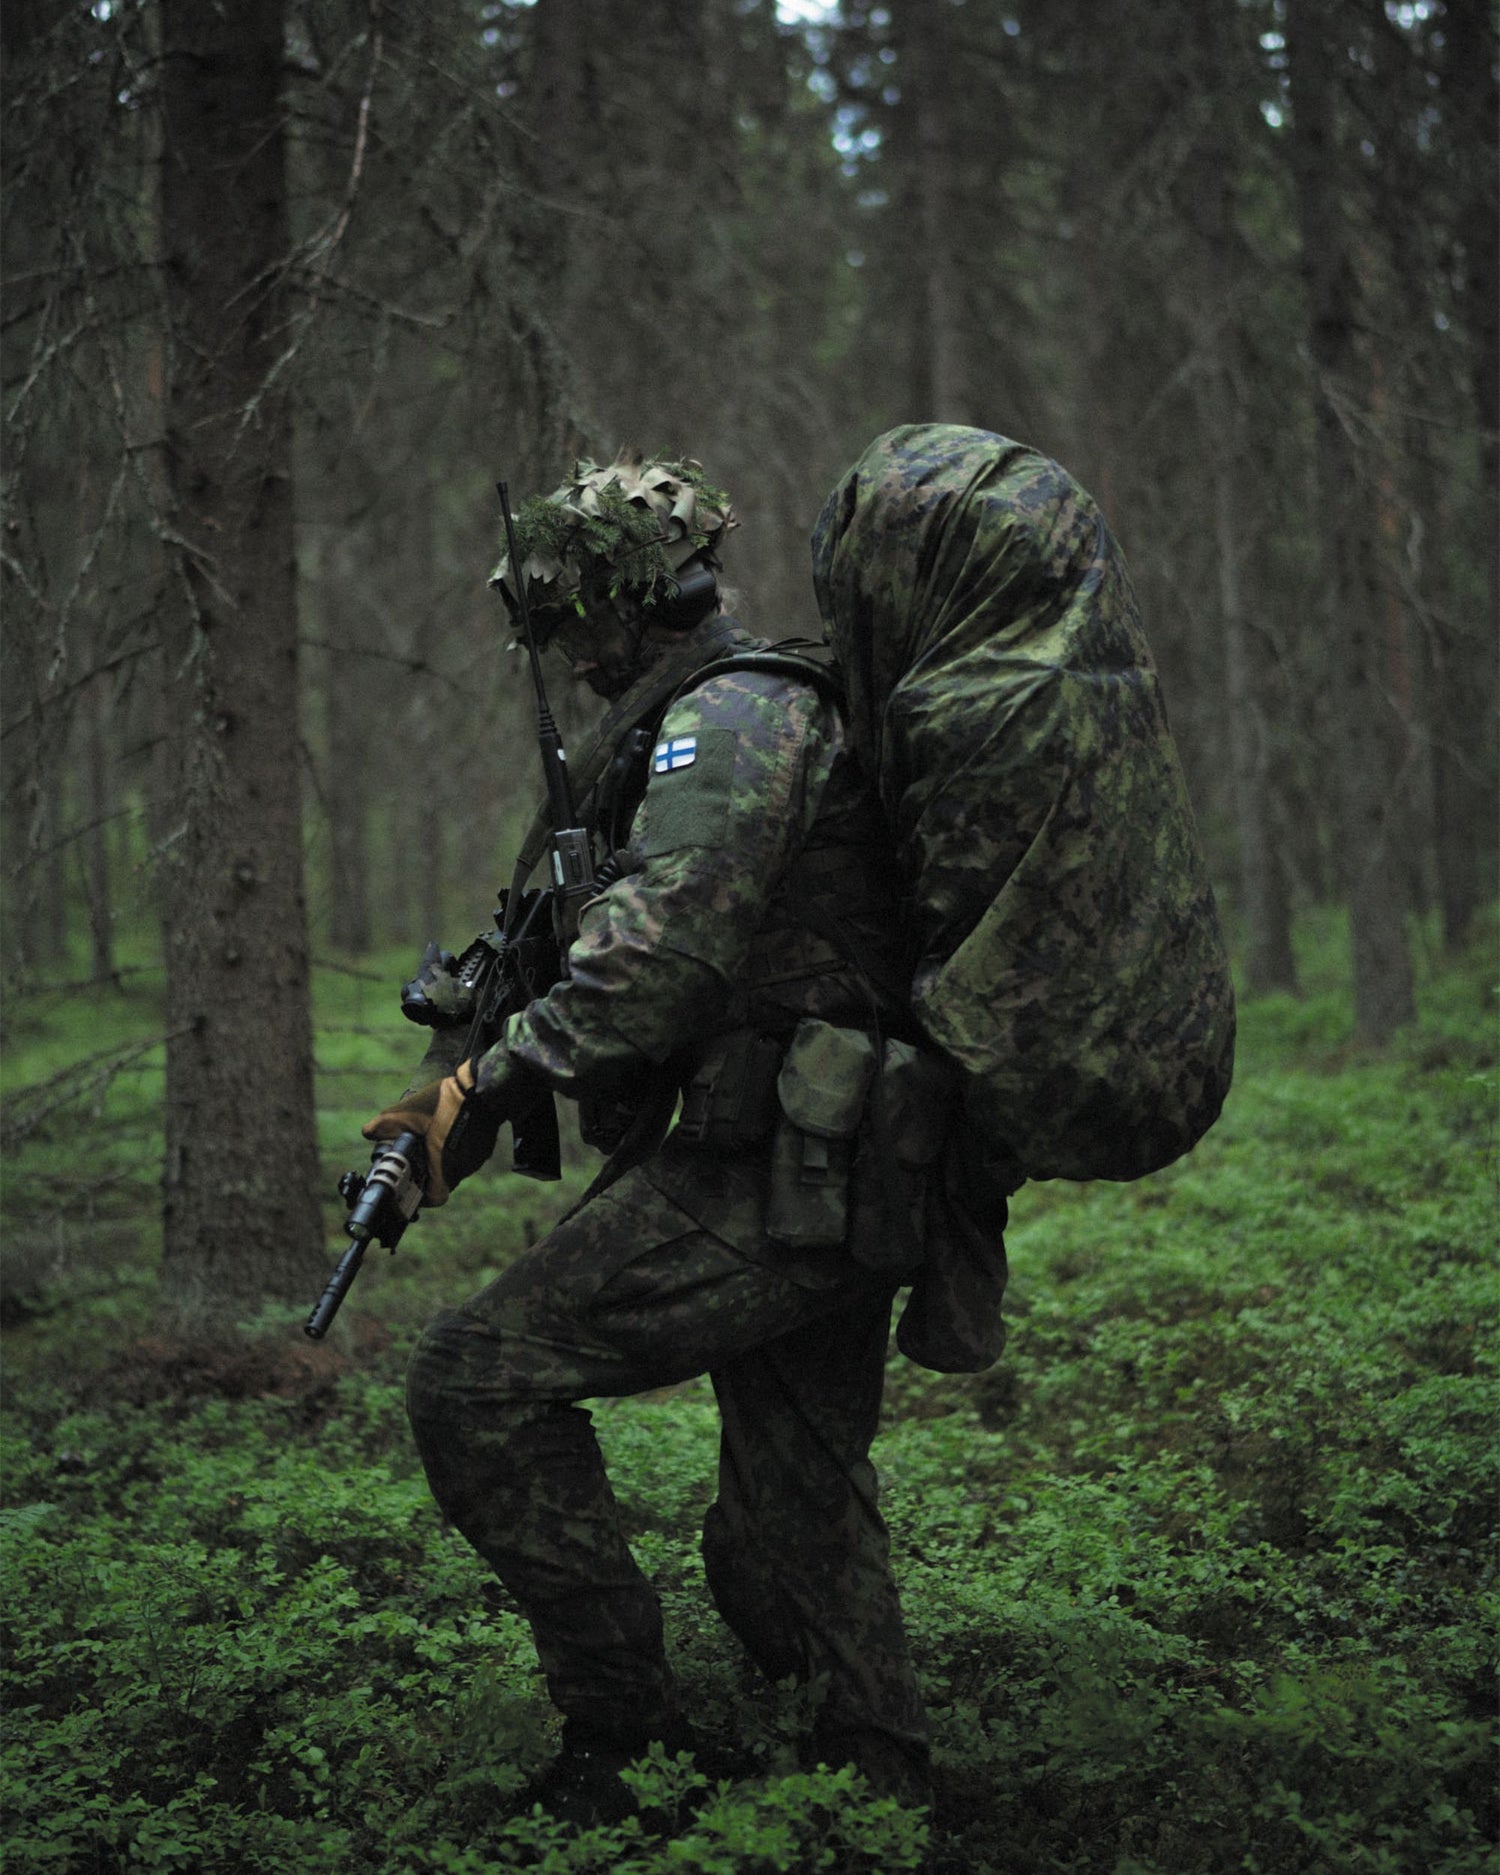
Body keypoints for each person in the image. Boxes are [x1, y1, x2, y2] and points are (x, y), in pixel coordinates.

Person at [363, 450, 980, 1823]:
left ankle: (624, 1748)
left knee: (474, 1379)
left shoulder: (733, 723)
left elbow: (655, 972)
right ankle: (873, 1795)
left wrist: (467, 1102)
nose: (561, 657)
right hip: (826, 1156)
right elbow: (561, 965)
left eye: (565, 622)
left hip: (777, 1164)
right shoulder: (689, 725)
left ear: (620, 607)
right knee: (795, 1501)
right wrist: (429, 1111)